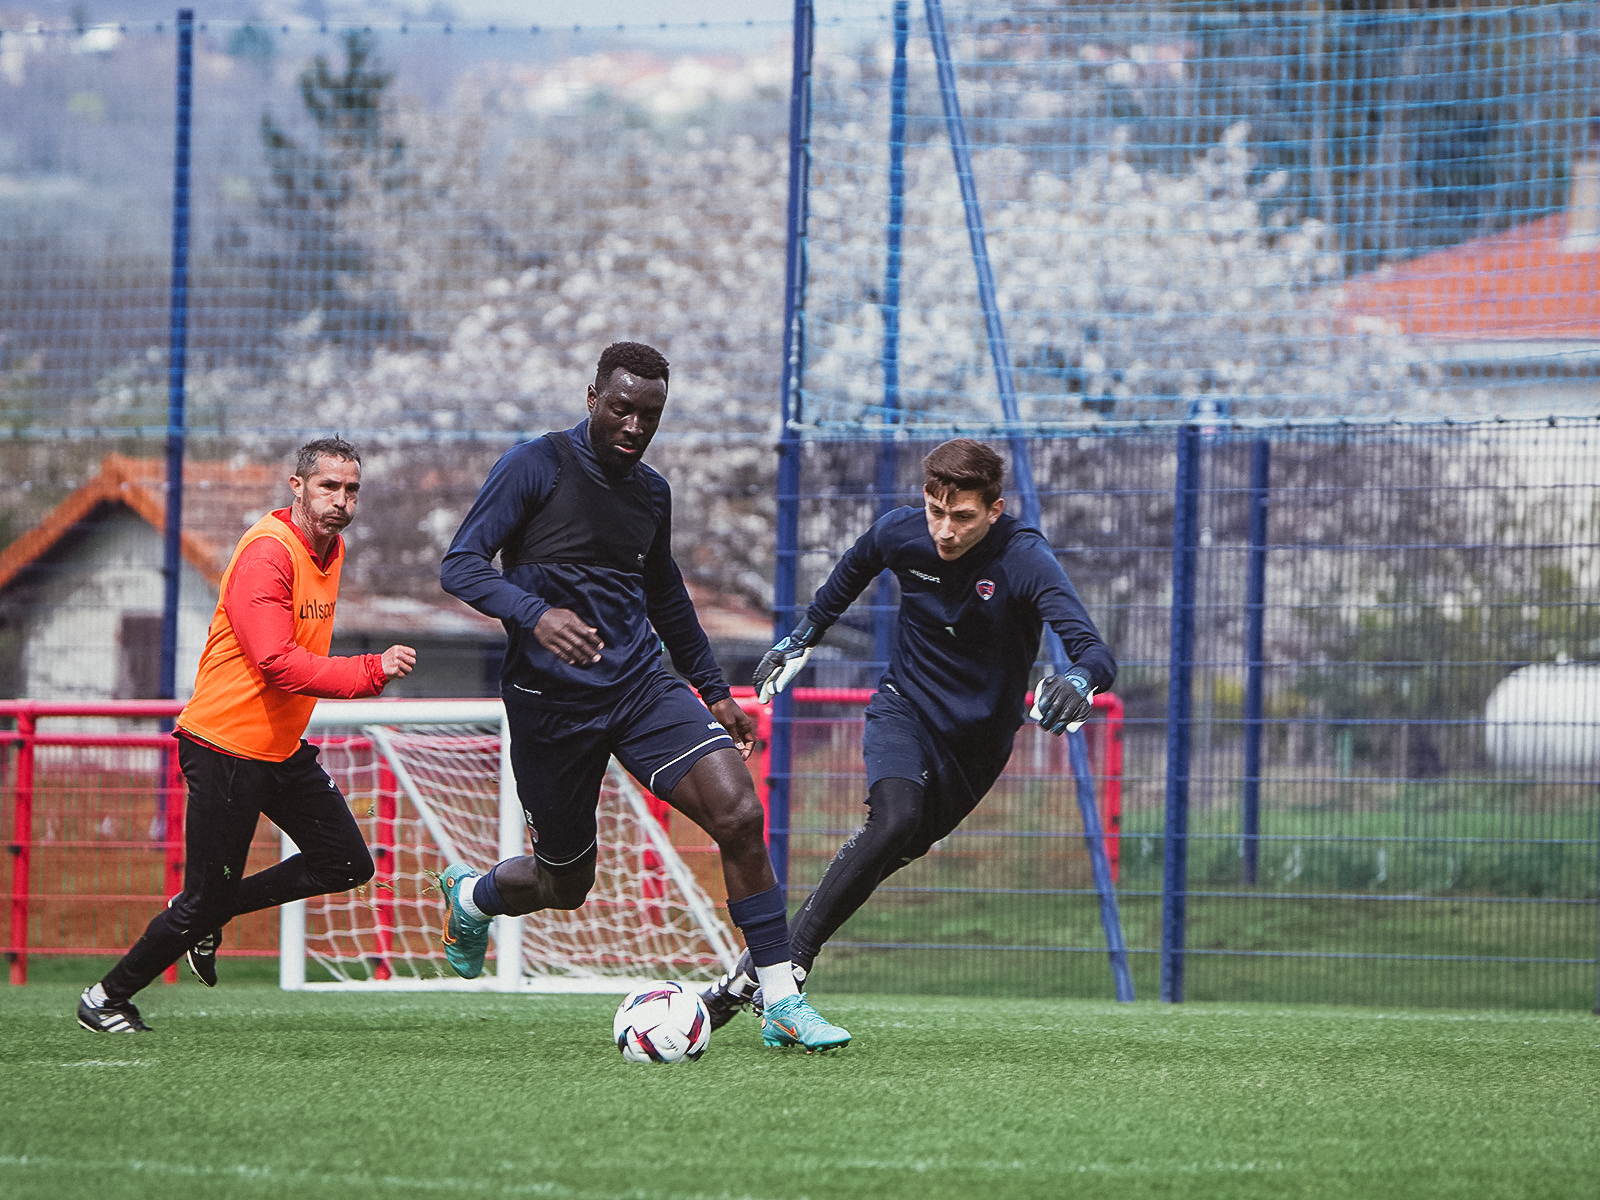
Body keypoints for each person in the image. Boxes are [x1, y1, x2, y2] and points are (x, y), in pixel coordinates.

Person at [438, 341, 850, 1052]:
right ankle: (473, 898)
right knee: (566, 884)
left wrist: (715, 691)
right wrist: (536, 614)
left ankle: (780, 995)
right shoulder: (534, 465)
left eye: (649, 415)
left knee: (739, 812)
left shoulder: (651, 493)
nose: (633, 426)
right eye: (622, 408)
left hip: (638, 687)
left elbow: (665, 594)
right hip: (550, 704)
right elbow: (460, 567)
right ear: (591, 396)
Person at [699, 438, 1116, 1025]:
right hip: (905, 709)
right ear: (925, 499)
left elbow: (1093, 650)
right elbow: (857, 564)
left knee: (883, 855)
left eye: (963, 517)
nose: (945, 531)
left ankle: (744, 981)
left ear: (993, 511)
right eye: (936, 511)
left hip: (976, 748)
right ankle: (787, 973)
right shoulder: (903, 532)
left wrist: (1079, 681)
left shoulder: (1023, 558)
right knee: (891, 819)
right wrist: (805, 635)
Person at [78, 437, 417, 1032]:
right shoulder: (268, 552)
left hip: (278, 750)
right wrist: (369, 670)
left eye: (352, 490)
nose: (341, 501)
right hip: (225, 747)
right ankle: (105, 998)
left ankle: (208, 915)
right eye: (328, 487)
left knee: (345, 863)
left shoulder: (330, 550)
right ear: (297, 487)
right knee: (203, 897)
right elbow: (276, 662)